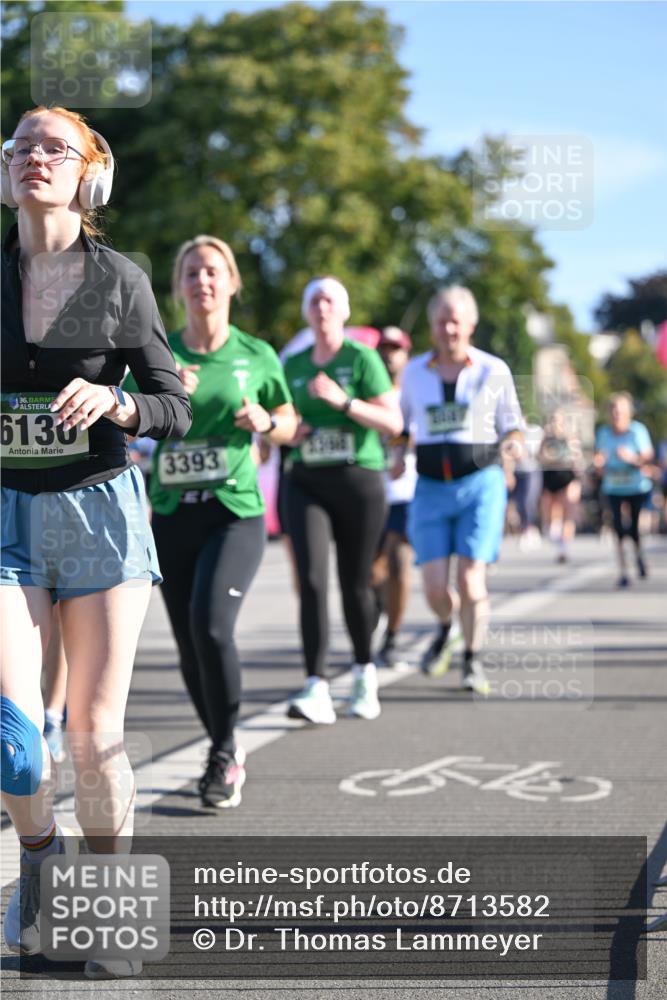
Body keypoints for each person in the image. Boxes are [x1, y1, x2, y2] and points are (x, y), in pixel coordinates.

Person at [0, 106, 191, 977]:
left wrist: (117, 403)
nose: (34, 157)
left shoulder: (120, 280)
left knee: (91, 735)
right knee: (14, 740)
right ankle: (41, 858)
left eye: (55, 148)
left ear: (89, 174)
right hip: (7, 515)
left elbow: (171, 403)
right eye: (22, 146)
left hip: (98, 513)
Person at [124, 235, 296, 808]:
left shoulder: (257, 353)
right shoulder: (159, 352)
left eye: (213, 271)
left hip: (234, 512)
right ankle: (224, 743)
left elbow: (290, 422)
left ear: (232, 283)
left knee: (212, 625)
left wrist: (265, 420)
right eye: (192, 272)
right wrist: (164, 397)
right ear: (178, 286)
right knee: (188, 644)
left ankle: (223, 752)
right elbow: (122, 421)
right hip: (173, 514)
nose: (202, 280)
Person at [283, 277, 402, 723]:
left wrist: (344, 402)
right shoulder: (293, 364)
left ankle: (363, 673)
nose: (322, 307)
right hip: (306, 480)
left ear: (344, 310)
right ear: (306, 311)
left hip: (358, 480)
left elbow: (393, 421)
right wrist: (289, 430)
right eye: (314, 300)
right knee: (312, 580)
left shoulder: (362, 357)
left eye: (330, 300)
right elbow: (283, 419)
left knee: (356, 582)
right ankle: (315, 685)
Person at [399, 286, 523, 692]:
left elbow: (513, 425)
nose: (449, 329)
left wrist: (513, 445)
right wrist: (395, 454)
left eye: (455, 321)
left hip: (480, 483)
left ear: (470, 324)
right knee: (435, 588)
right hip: (430, 487)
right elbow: (401, 426)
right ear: (432, 326)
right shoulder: (414, 372)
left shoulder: (493, 369)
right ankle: (446, 626)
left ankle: (472, 659)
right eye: (441, 322)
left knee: (471, 581)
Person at [372, 327, 417, 668]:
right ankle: (375, 615)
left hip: (406, 492)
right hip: (371, 490)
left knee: (400, 563)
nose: (389, 354)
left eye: (395, 348)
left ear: (406, 354)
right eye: (384, 348)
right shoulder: (367, 390)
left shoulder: (415, 390)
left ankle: (392, 637)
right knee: (373, 573)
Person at [593, 392, 654, 587]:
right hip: (613, 486)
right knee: (618, 529)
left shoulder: (637, 431)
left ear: (628, 412)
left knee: (634, 528)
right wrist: (599, 463)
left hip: (636, 486)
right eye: (613, 410)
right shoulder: (604, 433)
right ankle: (623, 571)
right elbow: (600, 457)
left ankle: (639, 555)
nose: (616, 415)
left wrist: (631, 458)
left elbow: (647, 456)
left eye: (620, 411)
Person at [539, 409, 583, 563]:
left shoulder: (570, 438)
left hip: (567, 476)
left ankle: (564, 547)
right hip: (551, 476)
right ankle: (557, 541)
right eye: (553, 420)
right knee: (553, 512)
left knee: (568, 510)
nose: (555, 424)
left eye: (558, 420)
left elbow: (577, 459)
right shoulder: (546, 439)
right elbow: (541, 457)